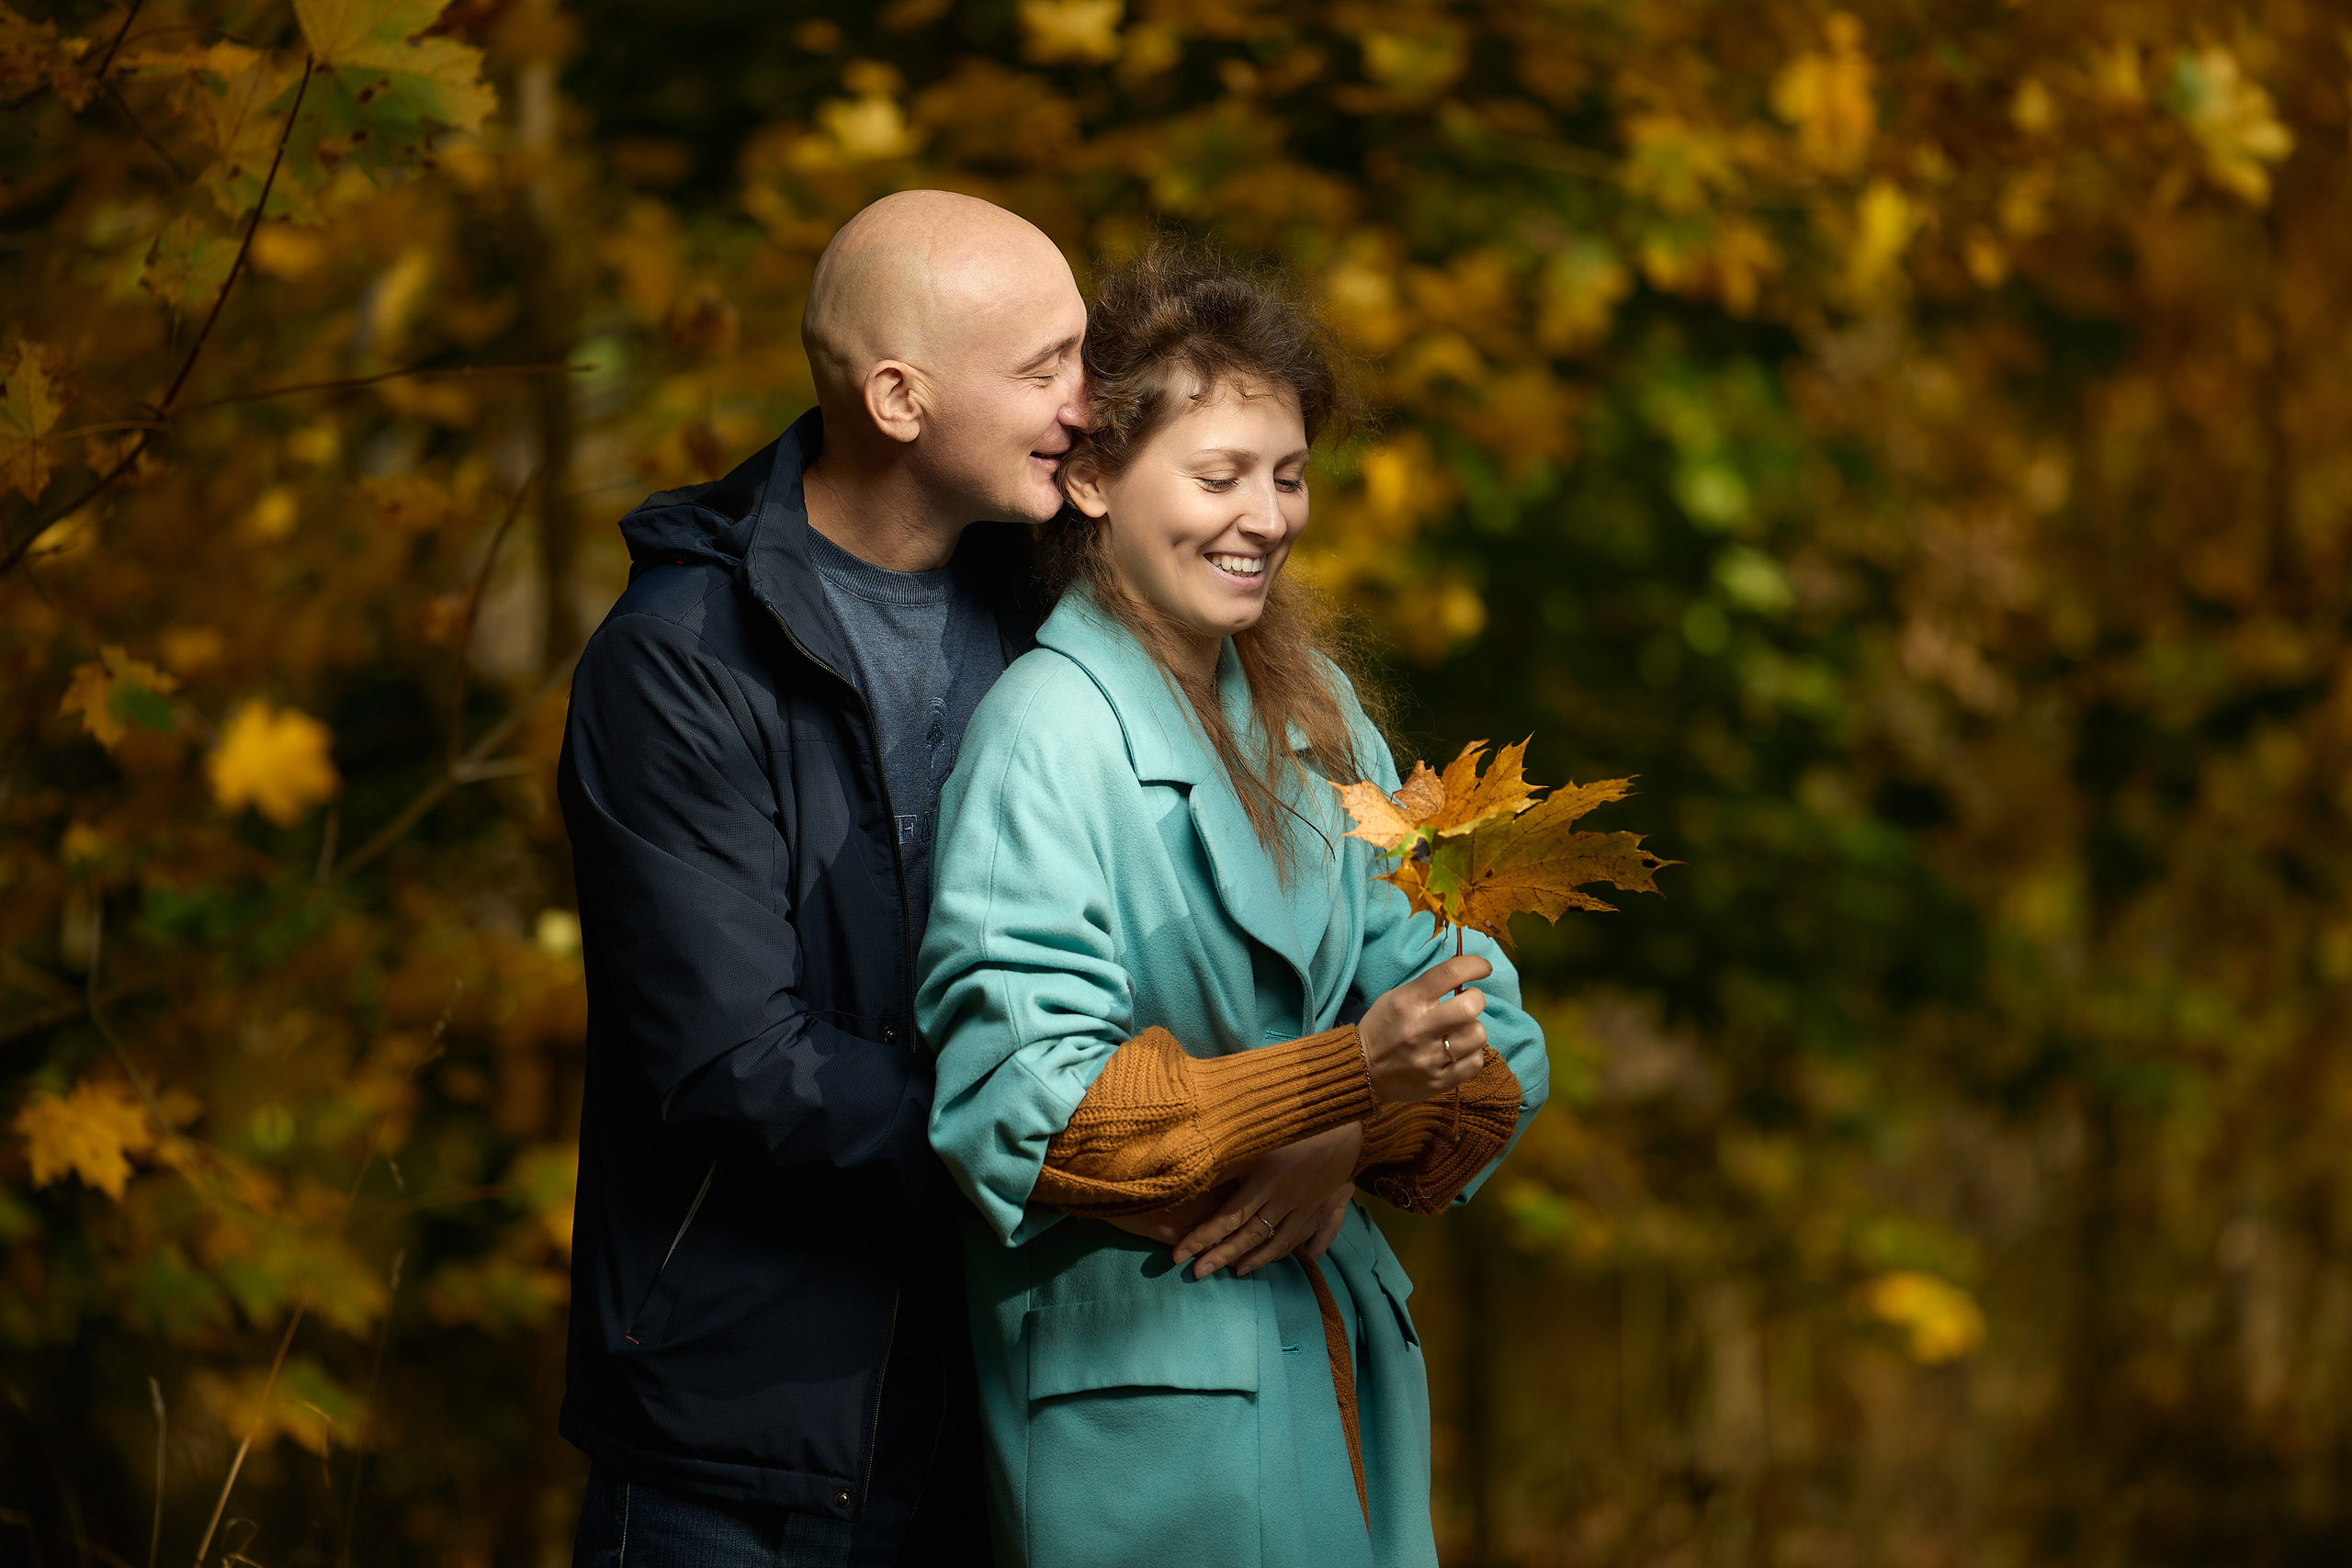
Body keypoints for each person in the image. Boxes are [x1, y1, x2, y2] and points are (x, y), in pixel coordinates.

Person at [920, 245, 1550, 1567]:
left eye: (1289, 472)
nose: (1265, 514)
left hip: (1335, 1361)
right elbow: (1031, 1115)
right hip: (1147, 1403)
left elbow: (1496, 1039)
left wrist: (1346, 1131)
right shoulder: (1043, 735)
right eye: (1219, 477)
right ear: (1093, 480)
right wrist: (1343, 1076)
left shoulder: (1315, 716)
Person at [557, 190, 1090, 1566]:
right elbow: (730, 1062)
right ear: (901, 398)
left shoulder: (1061, 631)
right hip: (739, 1455)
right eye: (1045, 369)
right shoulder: (681, 658)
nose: (1087, 406)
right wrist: (1079, 1150)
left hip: (1002, 1422)